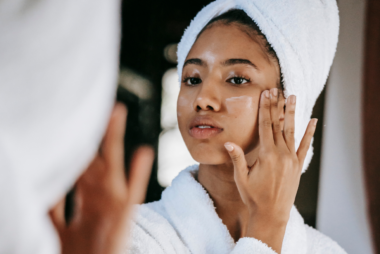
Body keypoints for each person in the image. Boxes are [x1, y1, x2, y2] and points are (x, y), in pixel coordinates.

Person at [125, 1, 346, 254]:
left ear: (288, 104)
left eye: (237, 79)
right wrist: (265, 233)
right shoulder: (129, 237)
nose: (202, 99)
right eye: (192, 79)